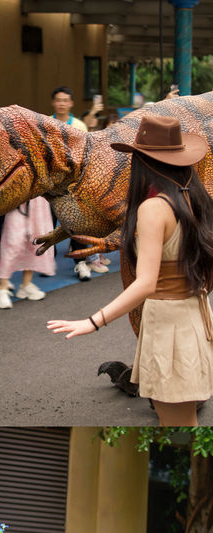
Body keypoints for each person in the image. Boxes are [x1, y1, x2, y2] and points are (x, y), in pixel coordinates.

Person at [47, 114, 213, 427]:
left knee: (177, 422)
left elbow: (146, 283)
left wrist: (93, 322)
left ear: (144, 162)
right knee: (177, 420)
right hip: (192, 317)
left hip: (170, 327)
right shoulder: (195, 196)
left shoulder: (154, 208)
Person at [50, 86, 106, 280]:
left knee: (75, 224)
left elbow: (85, 156)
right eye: (58, 100)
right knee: (49, 224)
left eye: (65, 100)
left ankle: (80, 263)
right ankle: (47, 261)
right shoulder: (46, 125)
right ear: (53, 103)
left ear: (71, 103)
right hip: (49, 186)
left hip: (72, 186)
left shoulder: (80, 126)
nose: (62, 103)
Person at [0, 196, 54, 308]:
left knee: (35, 241)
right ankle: (2, 288)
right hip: (17, 200)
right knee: (12, 243)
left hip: (39, 201)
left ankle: (26, 285)